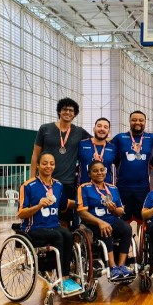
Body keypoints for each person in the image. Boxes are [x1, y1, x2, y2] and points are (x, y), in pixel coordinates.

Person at [18, 152, 81, 294]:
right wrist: (38, 206)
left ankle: (65, 276)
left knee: (69, 235)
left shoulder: (58, 185)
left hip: (53, 226)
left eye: (51, 163)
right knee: (58, 236)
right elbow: (21, 213)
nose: (48, 166)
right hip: (33, 228)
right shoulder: (28, 186)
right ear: (38, 165)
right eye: (45, 163)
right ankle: (60, 278)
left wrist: (83, 204)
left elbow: (65, 203)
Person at [30, 98, 91, 225]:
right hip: (45, 181)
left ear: (75, 114)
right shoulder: (45, 129)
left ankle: (62, 243)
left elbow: (97, 140)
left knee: (64, 219)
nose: (67, 112)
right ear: (59, 111)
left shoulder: (79, 132)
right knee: (42, 215)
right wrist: (31, 178)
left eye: (71, 110)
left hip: (66, 183)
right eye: (64, 109)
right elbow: (35, 155)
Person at [76, 160, 134, 281]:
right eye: (95, 171)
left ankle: (122, 265)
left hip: (111, 219)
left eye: (102, 170)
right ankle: (112, 267)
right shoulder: (84, 188)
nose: (99, 173)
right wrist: (100, 222)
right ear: (89, 174)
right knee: (106, 230)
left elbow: (120, 211)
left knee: (127, 229)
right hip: (92, 223)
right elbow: (82, 213)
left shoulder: (112, 188)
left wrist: (114, 210)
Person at [111, 111, 153, 222]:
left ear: (145, 122)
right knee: (123, 217)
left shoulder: (152, 138)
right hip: (123, 186)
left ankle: (139, 239)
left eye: (141, 120)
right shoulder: (120, 138)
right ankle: (126, 239)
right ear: (129, 121)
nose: (137, 122)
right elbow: (105, 143)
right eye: (134, 120)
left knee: (141, 218)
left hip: (143, 187)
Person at [78, 117, 117, 184]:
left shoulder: (113, 147)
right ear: (94, 129)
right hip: (85, 188)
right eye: (99, 126)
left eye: (105, 127)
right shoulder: (81, 144)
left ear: (109, 131)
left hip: (105, 189)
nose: (102, 129)